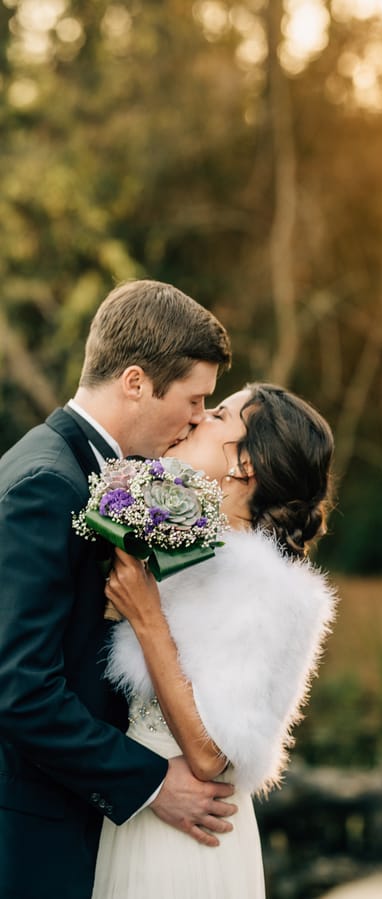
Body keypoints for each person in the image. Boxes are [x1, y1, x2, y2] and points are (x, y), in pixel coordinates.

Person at [0, 280, 237, 899]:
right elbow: (20, 688)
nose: (196, 418)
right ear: (135, 382)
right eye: (194, 399)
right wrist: (154, 782)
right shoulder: (47, 484)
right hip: (33, 839)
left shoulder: (86, 470)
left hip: (81, 823)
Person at [92, 383, 337, 899]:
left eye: (220, 414)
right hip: (140, 811)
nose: (199, 418)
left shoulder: (269, 589)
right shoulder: (188, 549)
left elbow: (210, 757)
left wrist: (147, 617)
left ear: (247, 464)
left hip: (187, 838)